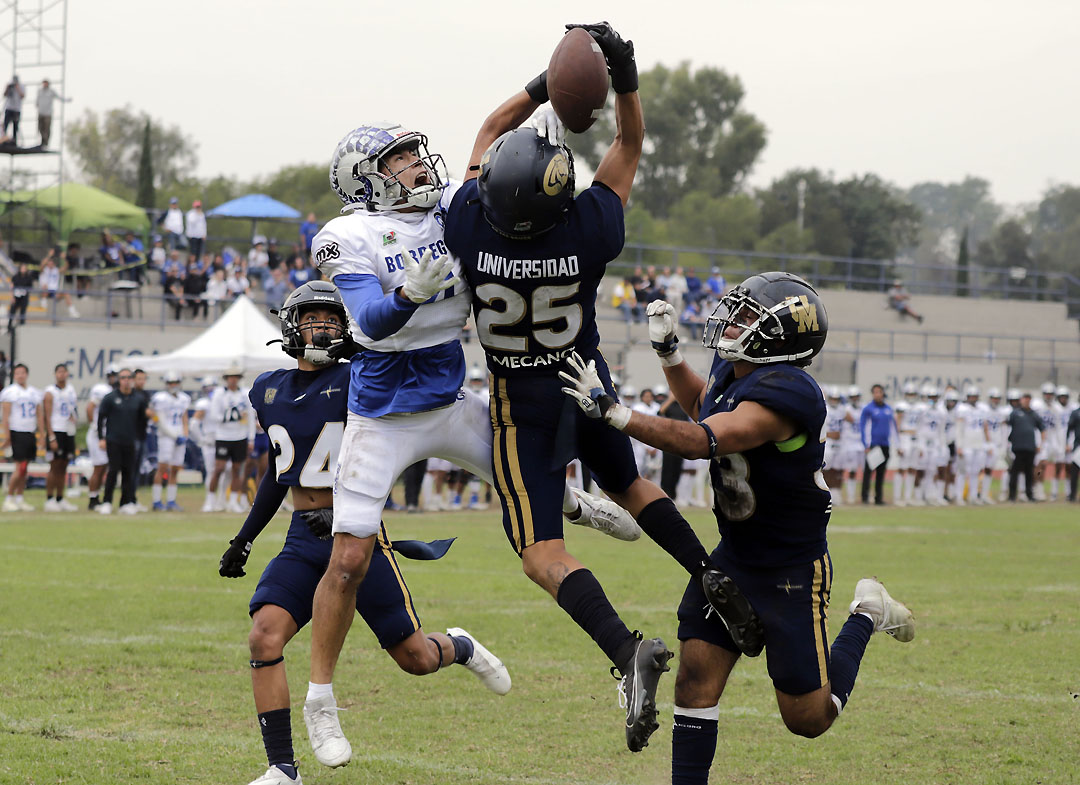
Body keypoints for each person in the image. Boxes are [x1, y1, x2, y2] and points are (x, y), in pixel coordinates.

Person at [304, 91, 643, 767]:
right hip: (384, 415)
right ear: (364, 177)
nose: (415, 165)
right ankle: (319, 701)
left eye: (411, 152)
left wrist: (545, 85)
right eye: (398, 159)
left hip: (451, 397)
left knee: (527, 475)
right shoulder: (346, 237)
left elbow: (495, 134)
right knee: (348, 558)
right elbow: (368, 321)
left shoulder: (450, 207)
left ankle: (572, 503)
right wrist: (408, 294)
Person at [446, 23, 743, 752]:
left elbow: (488, 129)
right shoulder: (585, 230)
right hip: (587, 386)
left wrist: (545, 87)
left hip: (523, 407)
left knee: (541, 550)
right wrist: (624, 79)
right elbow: (629, 147)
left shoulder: (468, 231)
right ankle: (710, 571)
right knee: (631, 486)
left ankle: (623, 646)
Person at [563, 272, 915, 784]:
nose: (733, 321)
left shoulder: (792, 393)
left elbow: (702, 437)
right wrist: (669, 357)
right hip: (734, 555)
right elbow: (703, 404)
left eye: (748, 315)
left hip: (790, 567)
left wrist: (617, 414)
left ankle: (866, 611)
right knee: (694, 680)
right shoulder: (738, 369)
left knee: (808, 719)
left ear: (782, 337)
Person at [219, 282, 509, 785]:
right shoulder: (268, 388)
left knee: (416, 659)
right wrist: (243, 538)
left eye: (331, 320)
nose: (322, 328)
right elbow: (277, 472)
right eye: (312, 319)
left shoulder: (360, 379)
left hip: (355, 536)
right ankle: (282, 769)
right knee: (264, 636)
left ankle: (458, 645)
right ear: (291, 325)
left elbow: (389, 446)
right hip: (300, 538)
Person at [96, 368, 146, 515]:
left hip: (130, 441)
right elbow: (101, 419)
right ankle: (107, 501)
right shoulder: (110, 398)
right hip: (113, 440)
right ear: (119, 380)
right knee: (113, 471)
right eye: (123, 377)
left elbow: (143, 419)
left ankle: (126, 502)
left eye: (128, 377)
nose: (126, 380)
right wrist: (101, 438)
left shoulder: (138, 399)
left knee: (128, 472)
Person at [205, 367, 255, 513]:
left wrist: (251, 438)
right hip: (223, 436)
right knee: (219, 468)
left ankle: (233, 501)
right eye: (230, 377)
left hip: (240, 436)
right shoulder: (219, 394)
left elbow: (250, 417)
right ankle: (210, 500)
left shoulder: (244, 394)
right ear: (226, 379)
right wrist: (230, 417)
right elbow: (214, 415)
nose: (233, 380)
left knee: (237, 469)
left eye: (236, 377)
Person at [1, 363, 44, 511]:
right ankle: (9, 498)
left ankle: (19, 498)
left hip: (30, 432)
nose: (20, 375)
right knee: (19, 467)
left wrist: (42, 435)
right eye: (17, 373)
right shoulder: (10, 392)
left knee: (25, 469)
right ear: (14, 375)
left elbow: (39, 415)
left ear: (27, 374)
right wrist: (7, 436)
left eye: (23, 373)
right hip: (17, 431)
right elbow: (5, 417)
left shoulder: (34, 392)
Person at [149, 371, 190, 511]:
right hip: (166, 436)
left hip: (179, 435)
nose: (173, 385)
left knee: (175, 468)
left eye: (175, 383)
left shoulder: (184, 398)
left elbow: (184, 418)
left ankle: (171, 500)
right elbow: (160, 421)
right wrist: (174, 436)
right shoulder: (161, 398)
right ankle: (156, 500)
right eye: (171, 383)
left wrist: (185, 434)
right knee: (162, 467)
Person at [42, 363, 79, 511]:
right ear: (55, 374)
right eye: (59, 372)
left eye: (64, 372)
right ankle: (49, 499)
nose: (62, 374)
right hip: (56, 430)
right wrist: (51, 436)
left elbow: (73, 410)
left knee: (64, 466)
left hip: (68, 431)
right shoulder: (50, 392)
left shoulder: (71, 390)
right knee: (54, 466)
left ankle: (60, 497)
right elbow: (47, 415)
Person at [85, 365, 119, 510]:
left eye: (115, 375)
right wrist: (94, 424)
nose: (113, 378)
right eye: (111, 375)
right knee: (98, 467)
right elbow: (90, 407)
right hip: (98, 434)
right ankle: (93, 499)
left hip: (110, 433)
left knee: (105, 467)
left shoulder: (118, 392)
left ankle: (97, 498)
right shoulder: (101, 390)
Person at [859, 384, 896, 505]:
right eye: (875, 392)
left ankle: (878, 498)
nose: (877, 394)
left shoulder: (888, 409)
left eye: (879, 392)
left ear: (883, 393)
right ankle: (865, 497)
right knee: (869, 471)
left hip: (885, 444)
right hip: (873, 444)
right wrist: (866, 444)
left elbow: (892, 427)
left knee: (881, 472)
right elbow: (864, 427)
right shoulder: (868, 409)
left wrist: (896, 443)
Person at [1007, 391, 1044, 502]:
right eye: (1024, 399)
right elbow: (1008, 428)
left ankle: (1029, 494)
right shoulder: (1015, 413)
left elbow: (1042, 429)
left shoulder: (1034, 414)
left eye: (1028, 399)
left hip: (1030, 447)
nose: (1026, 401)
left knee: (1029, 472)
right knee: (1015, 472)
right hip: (1017, 447)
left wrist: (1041, 444)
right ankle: (1012, 495)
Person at [38, 248, 79, 318]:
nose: (50, 264)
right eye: (49, 263)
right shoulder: (44, 270)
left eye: (52, 263)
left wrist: (64, 258)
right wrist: (49, 255)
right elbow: (42, 264)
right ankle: (43, 304)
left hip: (54, 292)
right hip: (45, 291)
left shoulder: (56, 270)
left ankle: (72, 311)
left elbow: (66, 267)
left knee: (66, 293)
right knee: (45, 287)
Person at [35, 78, 70, 148]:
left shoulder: (51, 91)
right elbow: (37, 100)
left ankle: (45, 142)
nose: (44, 84)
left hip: (48, 114)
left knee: (47, 128)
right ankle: (42, 141)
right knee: (40, 128)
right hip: (41, 113)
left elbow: (59, 97)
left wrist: (67, 100)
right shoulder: (39, 91)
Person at [3, 75, 25, 142]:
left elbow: (22, 96)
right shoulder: (10, 86)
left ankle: (14, 140)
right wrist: (7, 87)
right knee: (5, 124)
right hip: (9, 108)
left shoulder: (21, 86)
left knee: (15, 126)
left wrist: (17, 88)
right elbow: (4, 95)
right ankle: (3, 138)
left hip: (17, 109)